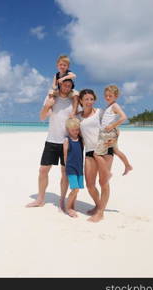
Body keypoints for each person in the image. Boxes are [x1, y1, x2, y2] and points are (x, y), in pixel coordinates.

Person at [26, 79, 75, 209]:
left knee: (64, 173)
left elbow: (80, 118)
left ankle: (62, 200)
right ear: (60, 85)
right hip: (51, 140)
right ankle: (40, 199)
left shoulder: (73, 101)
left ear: (72, 87)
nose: (66, 87)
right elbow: (42, 117)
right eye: (64, 85)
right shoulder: (52, 98)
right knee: (43, 170)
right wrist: (47, 105)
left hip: (67, 141)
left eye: (69, 86)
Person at [76, 89, 113, 222]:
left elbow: (113, 129)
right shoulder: (78, 117)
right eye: (86, 99)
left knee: (103, 182)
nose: (89, 102)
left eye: (91, 99)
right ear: (81, 101)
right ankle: (99, 205)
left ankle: (101, 212)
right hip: (89, 151)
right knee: (90, 184)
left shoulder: (100, 113)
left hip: (104, 149)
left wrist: (114, 142)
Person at [94, 85, 133, 178]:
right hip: (111, 133)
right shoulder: (109, 106)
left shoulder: (115, 106)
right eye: (106, 95)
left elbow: (124, 117)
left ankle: (107, 172)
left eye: (110, 96)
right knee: (115, 150)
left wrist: (112, 125)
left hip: (108, 134)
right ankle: (127, 165)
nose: (107, 97)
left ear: (116, 96)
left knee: (96, 153)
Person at [62, 117, 84, 218]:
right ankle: (68, 207)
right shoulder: (67, 140)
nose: (75, 131)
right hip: (71, 168)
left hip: (79, 168)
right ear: (68, 130)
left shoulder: (81, 140)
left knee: (77, 189)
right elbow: (65, 156)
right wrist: (66, 168)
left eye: (77, 129)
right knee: (74, 188)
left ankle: (72, 205)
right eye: (73, 130)